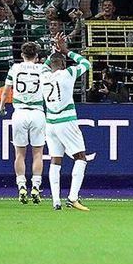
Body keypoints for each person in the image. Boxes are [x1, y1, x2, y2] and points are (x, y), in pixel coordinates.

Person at [41, 34, 92, 211]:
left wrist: (54, 51)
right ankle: (72, 197)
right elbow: (86, 64)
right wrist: (66, 51)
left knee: (55, 160)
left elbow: (46, 64)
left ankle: (56, 201)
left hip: (50, 123)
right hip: (67, 121)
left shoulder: (43, 75)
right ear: (63, 64)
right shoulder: (67, 73)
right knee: (81, 158)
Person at [0, 42, 49, 204]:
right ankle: (35, 186)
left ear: (22, 54)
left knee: (19, 153)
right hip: (37, 112)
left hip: (19, 112)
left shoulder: (15, 68)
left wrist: (1, 106)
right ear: (37, 56)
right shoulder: (42, 69)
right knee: (38, 153)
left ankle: (21, 186)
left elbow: (6, 90)